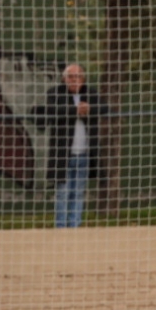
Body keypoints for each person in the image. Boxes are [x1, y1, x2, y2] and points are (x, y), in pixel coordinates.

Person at [42, 64, 103, 228]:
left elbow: (104, 108)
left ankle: (74, 226)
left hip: (84, 154)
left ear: (83, 79)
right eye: (70, 76)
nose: (74, 80)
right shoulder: (54, 93)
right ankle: (61, 227)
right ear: (64, 79)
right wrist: (75, 110)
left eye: (77, 76)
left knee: (78, 193)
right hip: (63, 155)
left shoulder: (91, 94)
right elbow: (53, 110)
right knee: (62, 193)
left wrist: (90, 109)